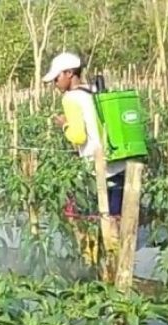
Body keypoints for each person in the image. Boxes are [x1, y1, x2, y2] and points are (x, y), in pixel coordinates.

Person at [43, 52, 127, 220]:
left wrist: (64, 125)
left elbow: (79, 136)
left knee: (88, 218)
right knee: (117, 219)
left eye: (57, 77)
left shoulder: (70, 98)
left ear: (69, 73)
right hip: (118, 162)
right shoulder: (94, 90)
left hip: (96, 168)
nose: (55, 83)